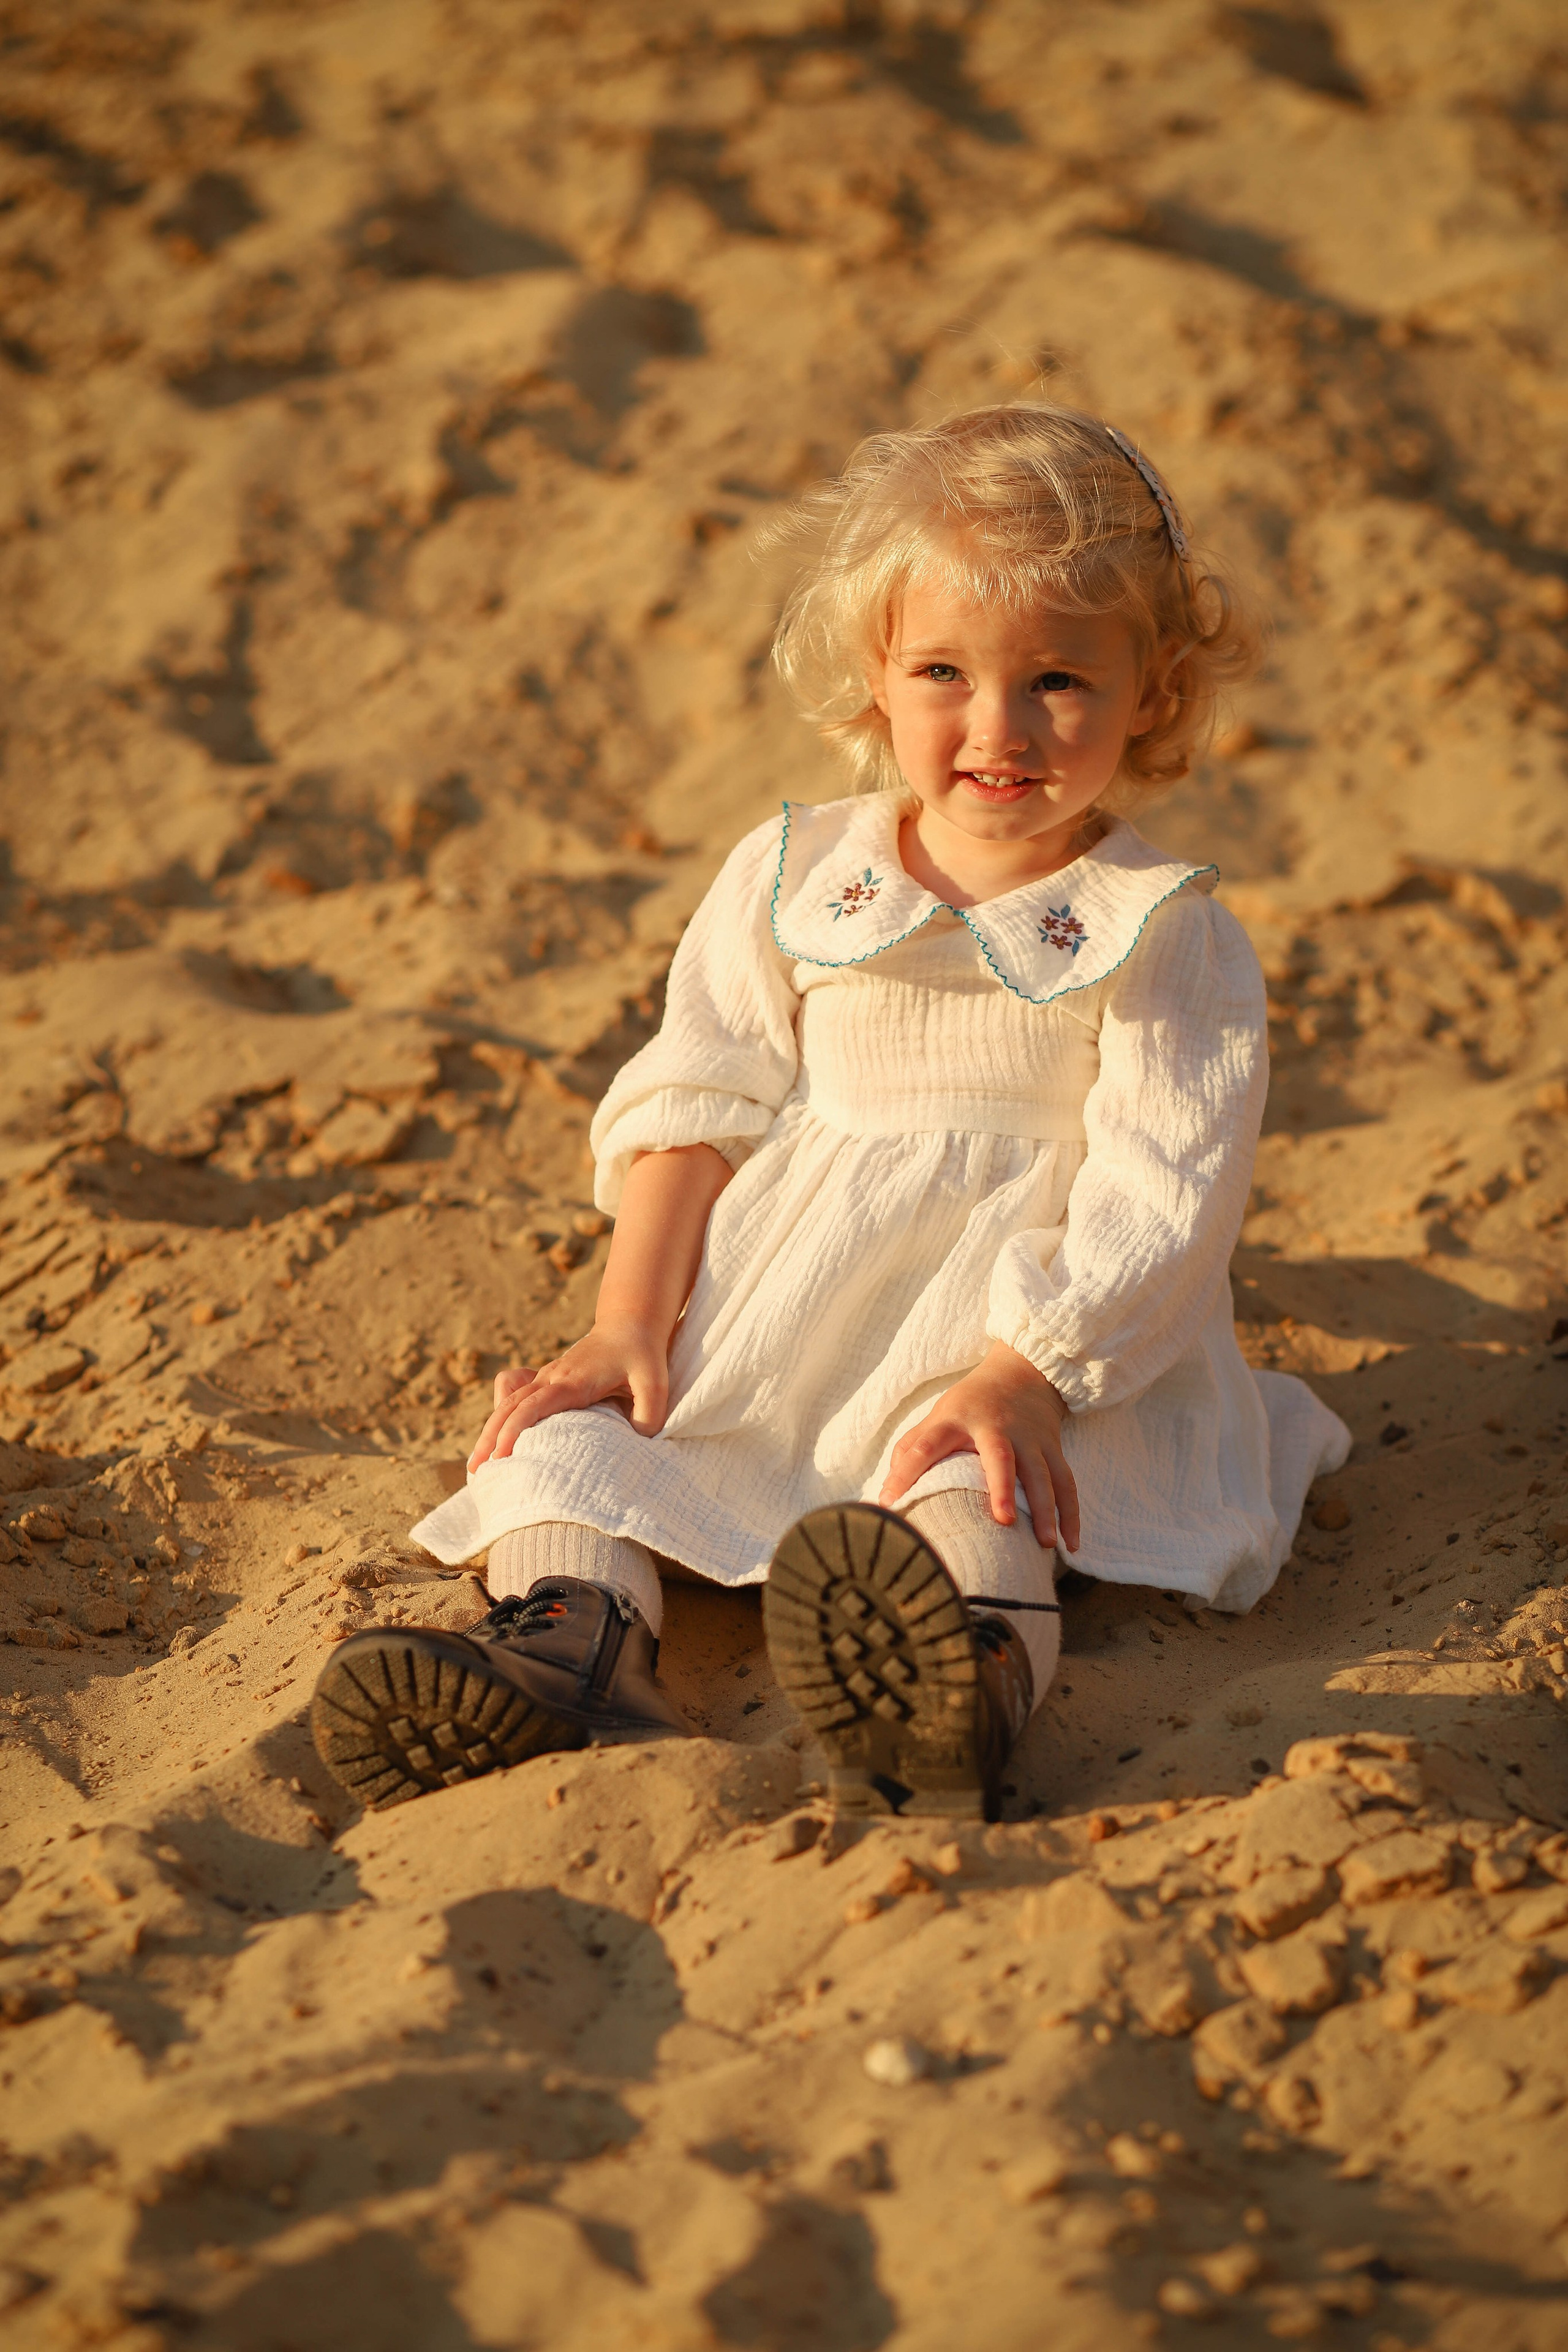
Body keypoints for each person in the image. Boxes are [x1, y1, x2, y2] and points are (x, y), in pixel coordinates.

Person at [310, 404, 1349, 1822]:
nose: (996, 727)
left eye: (1056, 679)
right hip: (787, 1299)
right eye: (942, 671)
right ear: (875, 678)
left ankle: (953, 1693)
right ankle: (571, 1643)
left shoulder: (1158, 930)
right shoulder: (799, 872)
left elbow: (1164, 1192)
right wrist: (629, 1321)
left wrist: (1029, 1372)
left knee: (970, 1492)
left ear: (1152, 694)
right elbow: (700, 1095)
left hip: (1015, 1321)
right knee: (572, 1448)